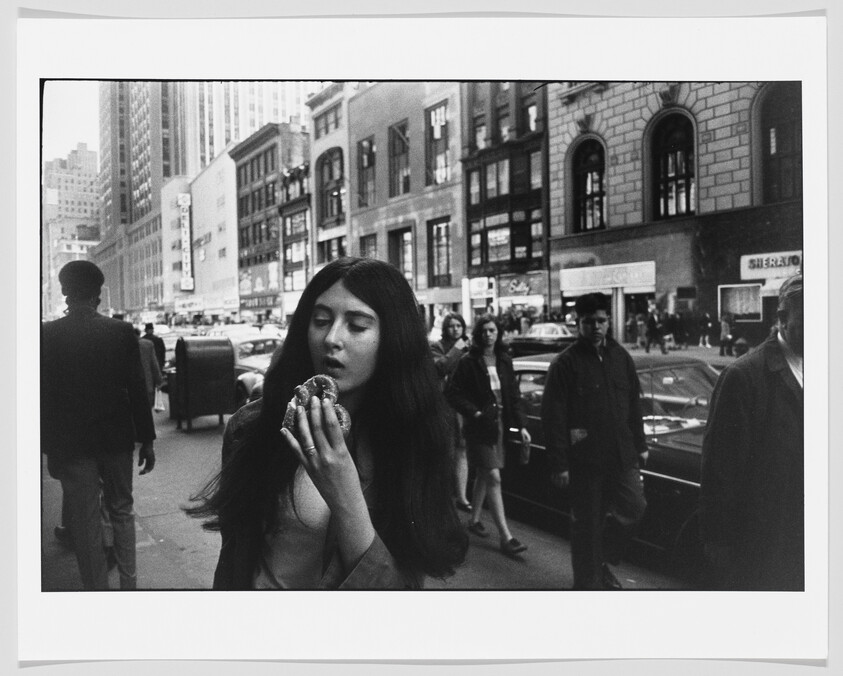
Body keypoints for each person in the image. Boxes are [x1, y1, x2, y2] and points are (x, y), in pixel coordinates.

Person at [186, 257, 468, 589]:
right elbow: (233, 559)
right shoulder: (252, 427)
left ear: (394, 337)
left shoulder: (416, 439)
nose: (331, 338)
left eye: (358, 325)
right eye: (320, 320)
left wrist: (346, 494)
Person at [41, 260, 156, 590]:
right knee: (122, 510)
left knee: (85, 520)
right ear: (99, 294)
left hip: (72, 445)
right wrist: (146, 440)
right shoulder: (121, 332)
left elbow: (43, 397)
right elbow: (137, 388)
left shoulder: (48, 335)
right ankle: (128, 586)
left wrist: (50, 450)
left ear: (65, 292)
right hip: (117, 440)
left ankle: (95, 592)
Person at [700, 274, 804, 590]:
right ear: (783, 319)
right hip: (766, 542)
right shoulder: (743, 377)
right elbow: (721, 469)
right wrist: (718, 540)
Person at [540, 292, 648, 590]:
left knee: (634, 507)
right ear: (579, 323)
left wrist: (640, 444)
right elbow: (554, 416)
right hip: (585, 461)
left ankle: (601, 560)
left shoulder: (620, 357)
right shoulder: (565, 363)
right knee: (585, 526)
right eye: (589, 322)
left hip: (621, 454)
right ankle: (586, 586)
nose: (596, 327)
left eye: (601, 320)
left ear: (609, 320)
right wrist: (559, 463)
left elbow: (634, 405)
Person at [446, 314, 531, 558]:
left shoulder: (505, 360)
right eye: (484, 331)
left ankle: (474, 520)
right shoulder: (468, 361)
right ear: (478, 334)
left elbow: (513, 396)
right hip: (479, 426)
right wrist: (474, 412)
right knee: (493, 476)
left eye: (492, 330)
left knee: (485, 473)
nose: (488, 335)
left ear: (498, 333)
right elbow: (453, 393)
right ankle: (506, 537)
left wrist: (522, 425)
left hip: (499, 426)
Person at [430, 312, 471, 512]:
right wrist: (457, 349)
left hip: (462, 403)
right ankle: (444, 495)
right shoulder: (437, 347)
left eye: (459, 326)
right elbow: (440, 368)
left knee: (462, 449)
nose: (455, 329)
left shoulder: (468, 347)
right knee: (446, 450)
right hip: (444, 404)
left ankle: (462, 497)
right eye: (451, 326)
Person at [135, 328, 164, 408]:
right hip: (147, 384)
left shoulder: (123, 345)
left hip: (130, 388)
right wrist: (159, 381)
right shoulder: (147, 344)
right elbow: (154, 365)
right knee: (147, 410)